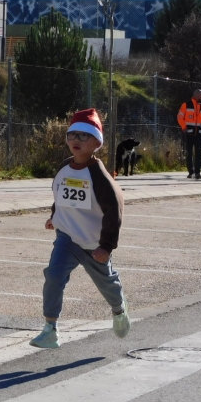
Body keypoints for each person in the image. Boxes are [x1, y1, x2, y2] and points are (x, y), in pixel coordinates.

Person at [30, 108, 130, 349]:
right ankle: (50, 329)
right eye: (72, 135)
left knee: (106, 283)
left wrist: (106, 247)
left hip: (93, 244)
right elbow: (61, 194)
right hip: (66, 238)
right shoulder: (65, 167)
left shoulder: (100, 178)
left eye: (84, 136)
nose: (76, 140)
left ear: (97, 142)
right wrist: (55, 216)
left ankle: (119, 311)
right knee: (53, 276)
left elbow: (114, 212)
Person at [177, 89, 201, 179]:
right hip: (189, 134)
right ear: (197, 96)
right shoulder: (186, 105)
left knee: (198, 154)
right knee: (189, 154)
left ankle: (197, 173)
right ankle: (191, 172)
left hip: (200, 135)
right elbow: (180, 117)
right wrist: (184, 127)